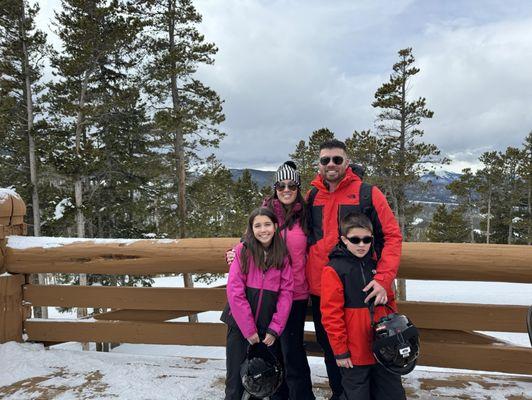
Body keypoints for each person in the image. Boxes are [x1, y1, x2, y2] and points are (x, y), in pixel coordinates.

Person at [306, 139, 402, 399]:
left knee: (373, 351)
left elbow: (392, 237)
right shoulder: (313, 194)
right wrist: (243, 247)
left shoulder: (367, 193)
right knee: (333, 352)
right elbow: (284, 224)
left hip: (363, 287)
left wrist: (383, 279)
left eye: (337, 159)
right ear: (319, 164)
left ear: (346, 162)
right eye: (325, 160)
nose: (331, 165)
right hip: (320, 288)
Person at [226, 162, 316, 400]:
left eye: (292, 185)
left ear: (298, 186)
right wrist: (235, 251)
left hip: (294, 295)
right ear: (275, 187)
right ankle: (277, 395)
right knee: (272, 352)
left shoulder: (306, 215)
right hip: (267, 298)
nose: (287, 189)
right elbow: (252, 237)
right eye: (281, 185)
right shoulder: (268, 211)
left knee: (292, 353)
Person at [320, 213, 405, 399]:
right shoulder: (334, 269)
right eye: (355, 239)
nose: (361, 245)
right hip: (355, 353)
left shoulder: (377, 266)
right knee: (357, 394)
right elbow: (331, 315)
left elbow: (390, 303)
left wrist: (396, 332)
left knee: (392, 393)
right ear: (344, 239)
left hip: (384, 348)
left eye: (366, 239)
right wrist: (340, 351)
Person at [221, 207, 294, 400]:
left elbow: (286, 293)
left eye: (267, 224)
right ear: (251, 229)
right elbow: (235, 292)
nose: (263, 230)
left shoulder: (282, 256)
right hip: (239, 326)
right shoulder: (242, 252)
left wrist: (274, 329)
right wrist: (248, 330)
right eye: (258, 225)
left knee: (264, 377)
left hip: (268, 327)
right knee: (235, 379)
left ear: (276, 227)